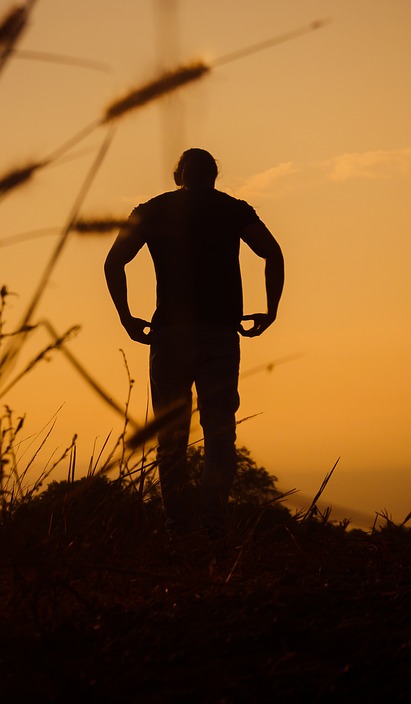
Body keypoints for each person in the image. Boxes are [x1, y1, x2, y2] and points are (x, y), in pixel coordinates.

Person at [104, 148, 284, 538]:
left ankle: (177, 527)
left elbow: (113, 261)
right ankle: (214, 523)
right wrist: (270, 310)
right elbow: (272, 253)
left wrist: (126, 316)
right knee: (220, 430)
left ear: (178, 176)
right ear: (215, 176)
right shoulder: (234, 210)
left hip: (168, 336)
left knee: (171, 437)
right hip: (219, 333)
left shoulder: (152, 210)